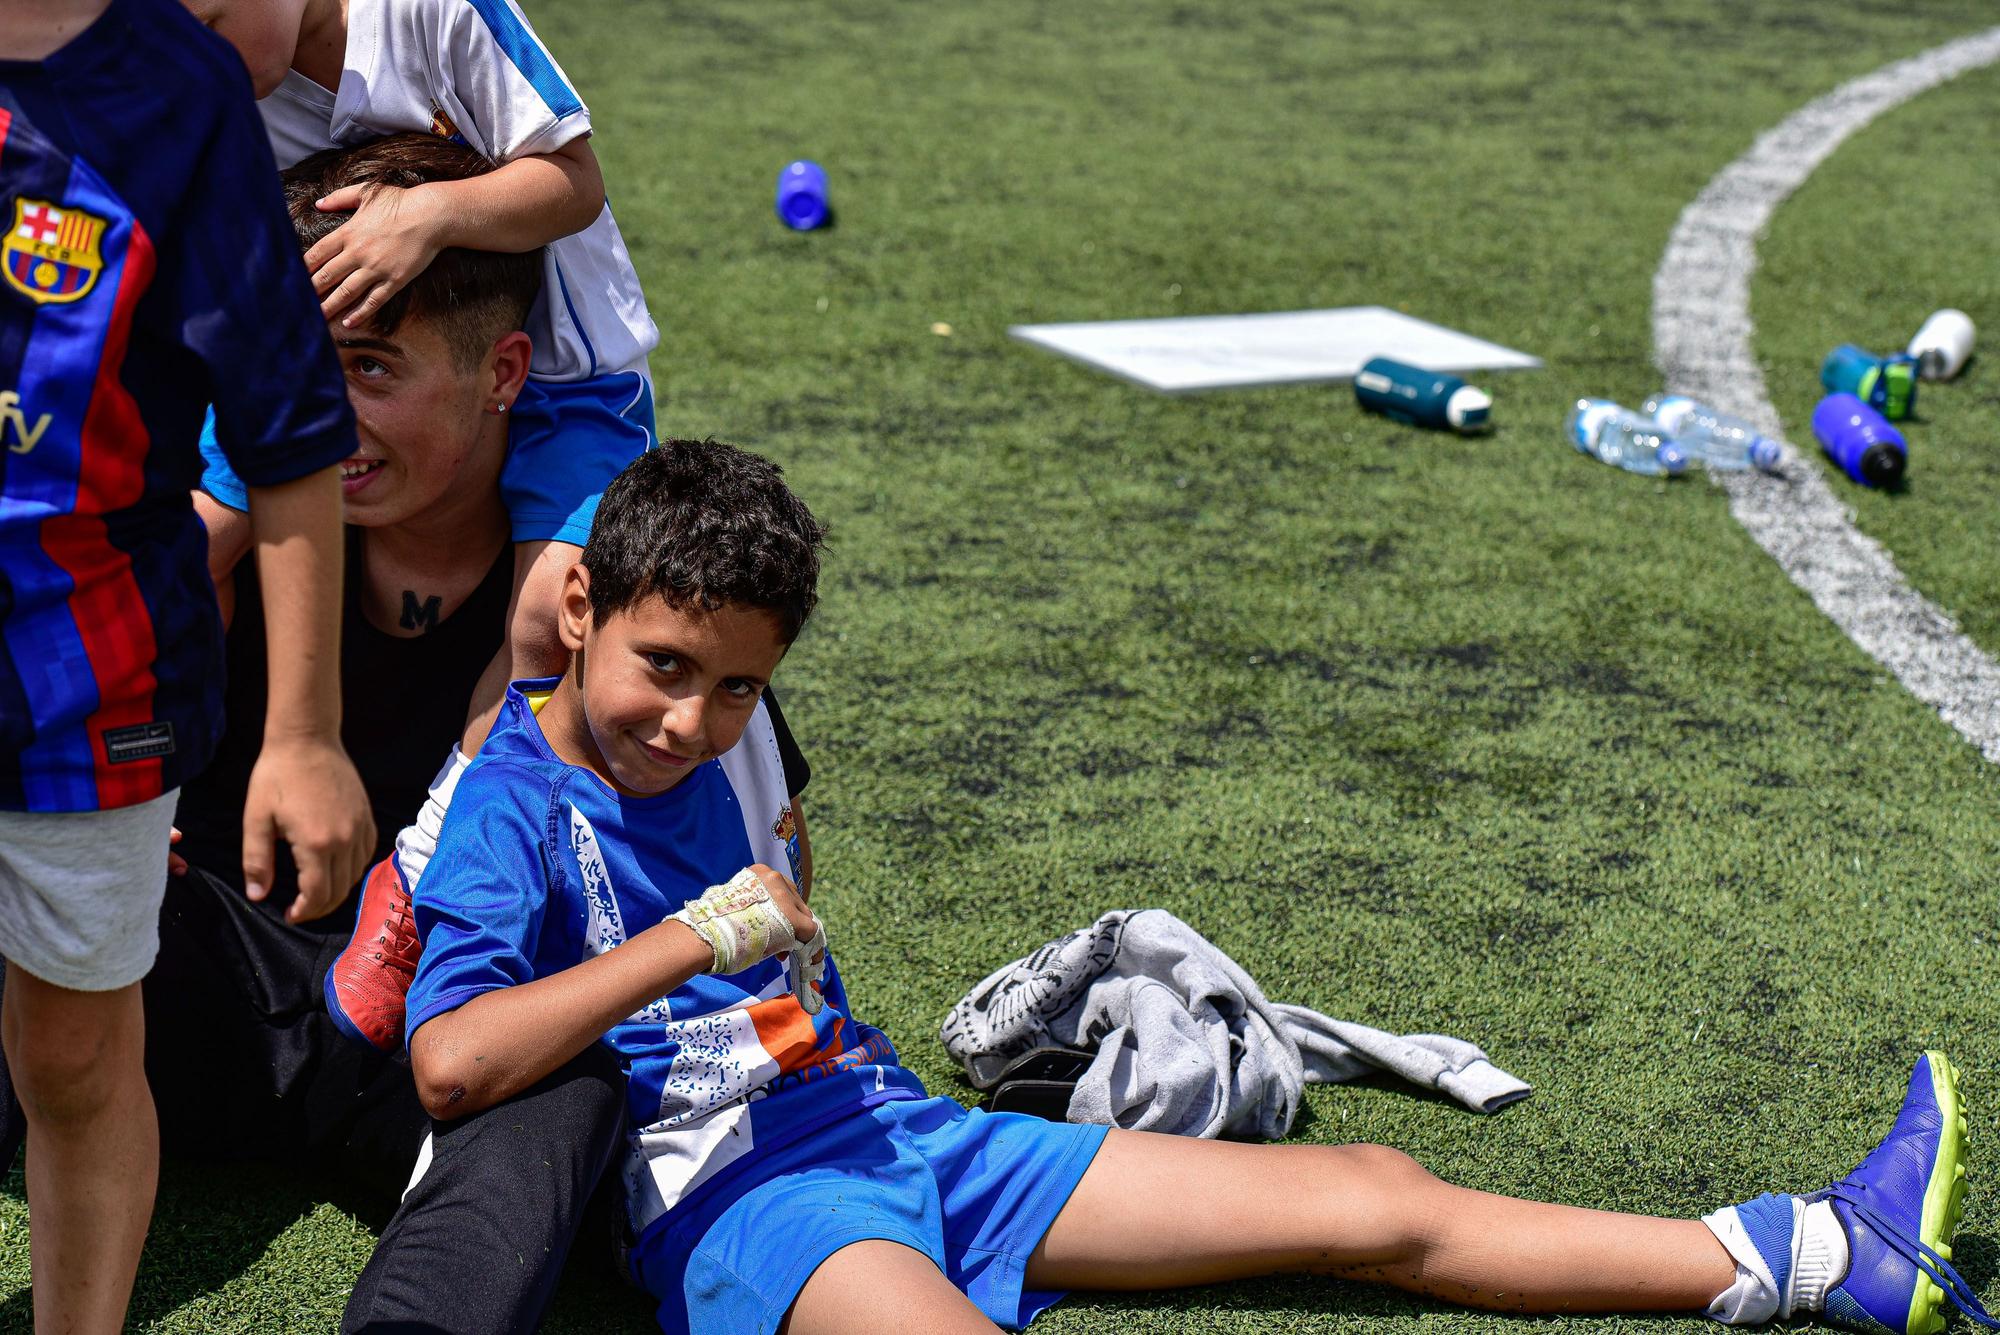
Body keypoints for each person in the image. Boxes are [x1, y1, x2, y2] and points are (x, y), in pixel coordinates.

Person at [399, 438, 1996, 1335]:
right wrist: (691, 935)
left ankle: (1807, 1250)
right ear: (584, 606)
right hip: (745, 1207)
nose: (693, 718)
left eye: (737, 686)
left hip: (904, 1132)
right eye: (666, 669)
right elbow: (450, 1059)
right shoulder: (512, 805)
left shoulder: (734, 748)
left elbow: (784, 927)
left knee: (1375, 1194)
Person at [0, 133, 800, 1332]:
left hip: (439, 1056)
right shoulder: (218, 544)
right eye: (293, 369)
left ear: (503, 371)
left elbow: (750, 911)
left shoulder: (626, 636)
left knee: (571, 1087)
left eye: (370, 368)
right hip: (201, 995)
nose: (317, 418)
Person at [177, 0, 665, 1050]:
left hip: (571, 384)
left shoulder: (431, 13)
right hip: (313, 363)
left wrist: (432, 217)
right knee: (183, 544)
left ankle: (425, 876)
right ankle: (139, 791)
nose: (184, 50)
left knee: (546, 625)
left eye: (205, 20)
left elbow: (572, 180)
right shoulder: (219, 87)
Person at [0, 0, 373, 1329]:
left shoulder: (180, 91)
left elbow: (288, 429)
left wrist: (305, 733)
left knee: (75, 1053)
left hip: (84, 691)